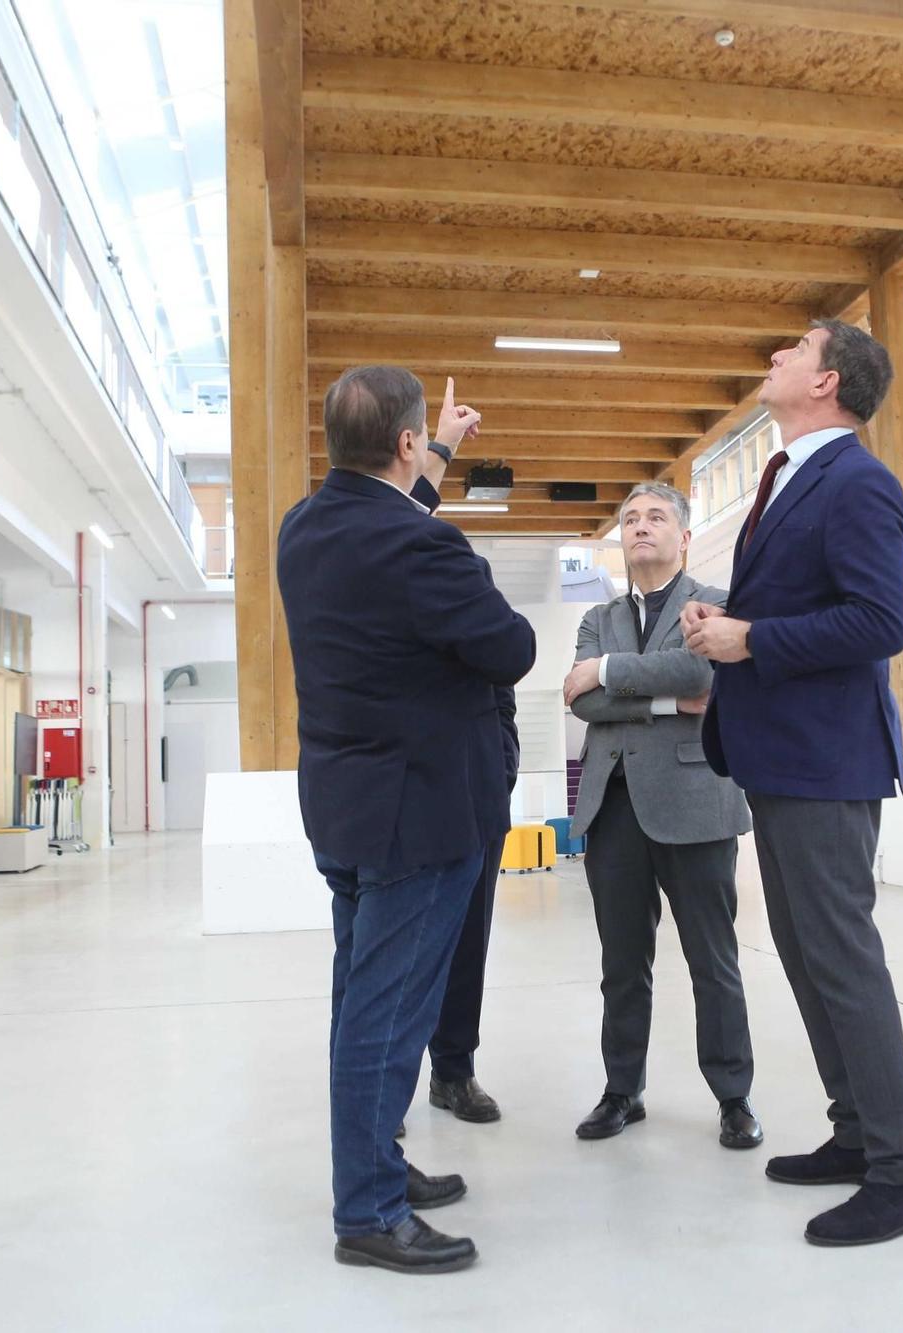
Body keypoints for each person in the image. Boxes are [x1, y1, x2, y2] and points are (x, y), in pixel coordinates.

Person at [682, 320, 903, 1249]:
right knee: (804, 955)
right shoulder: (788, 475)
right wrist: (732, 622)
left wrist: (752, 640)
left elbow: (882, 619)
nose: (774, 357)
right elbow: (808, 605)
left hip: (828, 761)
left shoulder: (860, 480)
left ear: (827, 381)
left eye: (793, 349)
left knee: (842, 959)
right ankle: (857, 1133)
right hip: (781, 754)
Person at [279, 368, 535, 1275]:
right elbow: (514, 647)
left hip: (344, 808)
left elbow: (390, 519)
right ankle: (370, 1210)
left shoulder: (301, 530)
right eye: (423, 436)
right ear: (402, 443)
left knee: (360, 1001)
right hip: (421, 814)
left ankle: (377, 1165)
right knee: (386, 1016)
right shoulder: (432, 551)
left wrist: (445, 452)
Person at [561, 482, 759, 1150]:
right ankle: (623, 1090)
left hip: (697, 803)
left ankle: (734, 1097)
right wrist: (664, 704)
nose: (639, 526)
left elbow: (701, 673)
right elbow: (581, 704)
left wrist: (610, 672)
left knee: (714, 959)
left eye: (654, 517)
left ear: (684, 536)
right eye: (628, 518)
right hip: (612, 806)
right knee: (622, 963)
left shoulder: (719, 603)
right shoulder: (597, 618)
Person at [409, 436, 517, 1128]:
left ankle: (454, 1071)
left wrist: (502, 761)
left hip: (477, 797)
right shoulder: (400, 608)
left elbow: (503, 685)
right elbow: (396, 524)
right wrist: (439, 453)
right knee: (396, 951)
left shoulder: (477, 603)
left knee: (467, 943)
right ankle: (386, 1090)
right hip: (406, 797)